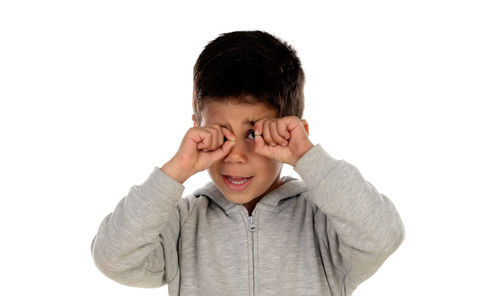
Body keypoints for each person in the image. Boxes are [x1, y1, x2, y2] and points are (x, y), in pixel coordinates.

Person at [91, 30, 405, 296]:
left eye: (254, 133)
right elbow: (112, 259)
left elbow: (383, 235)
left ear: (294, 132)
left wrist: (308, 158)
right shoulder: (182, 224)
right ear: (197, 128)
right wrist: (176, 170)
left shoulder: (324, 223)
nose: (235, 155)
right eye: (220, 134)